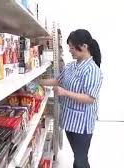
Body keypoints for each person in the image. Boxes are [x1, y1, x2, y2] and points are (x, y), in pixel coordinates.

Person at [40, 29, 103, 168]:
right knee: (77, 155)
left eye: (72, 47)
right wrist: (37, 82)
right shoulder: (71, 66)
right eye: (69, 47)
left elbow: (90, 98)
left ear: (84, 46)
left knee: (80, 159)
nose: (70, 50)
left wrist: (65, 93)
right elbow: (57, 80)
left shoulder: (92, 70)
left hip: (82, 124)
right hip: (69, 120)